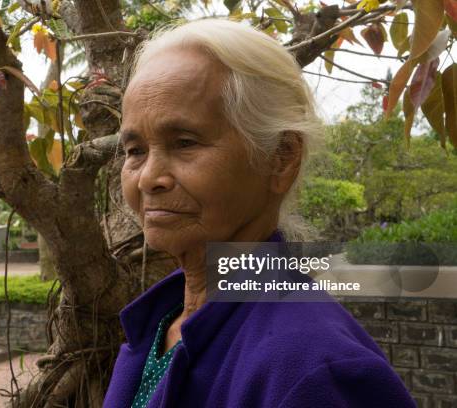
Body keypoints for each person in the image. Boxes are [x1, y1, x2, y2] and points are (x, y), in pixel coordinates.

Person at [103, 18, 416, 408]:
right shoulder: (161, 325)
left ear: (281, 158)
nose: (149, 177)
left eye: (185, 142)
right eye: (135, 151)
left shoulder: (314, 369)